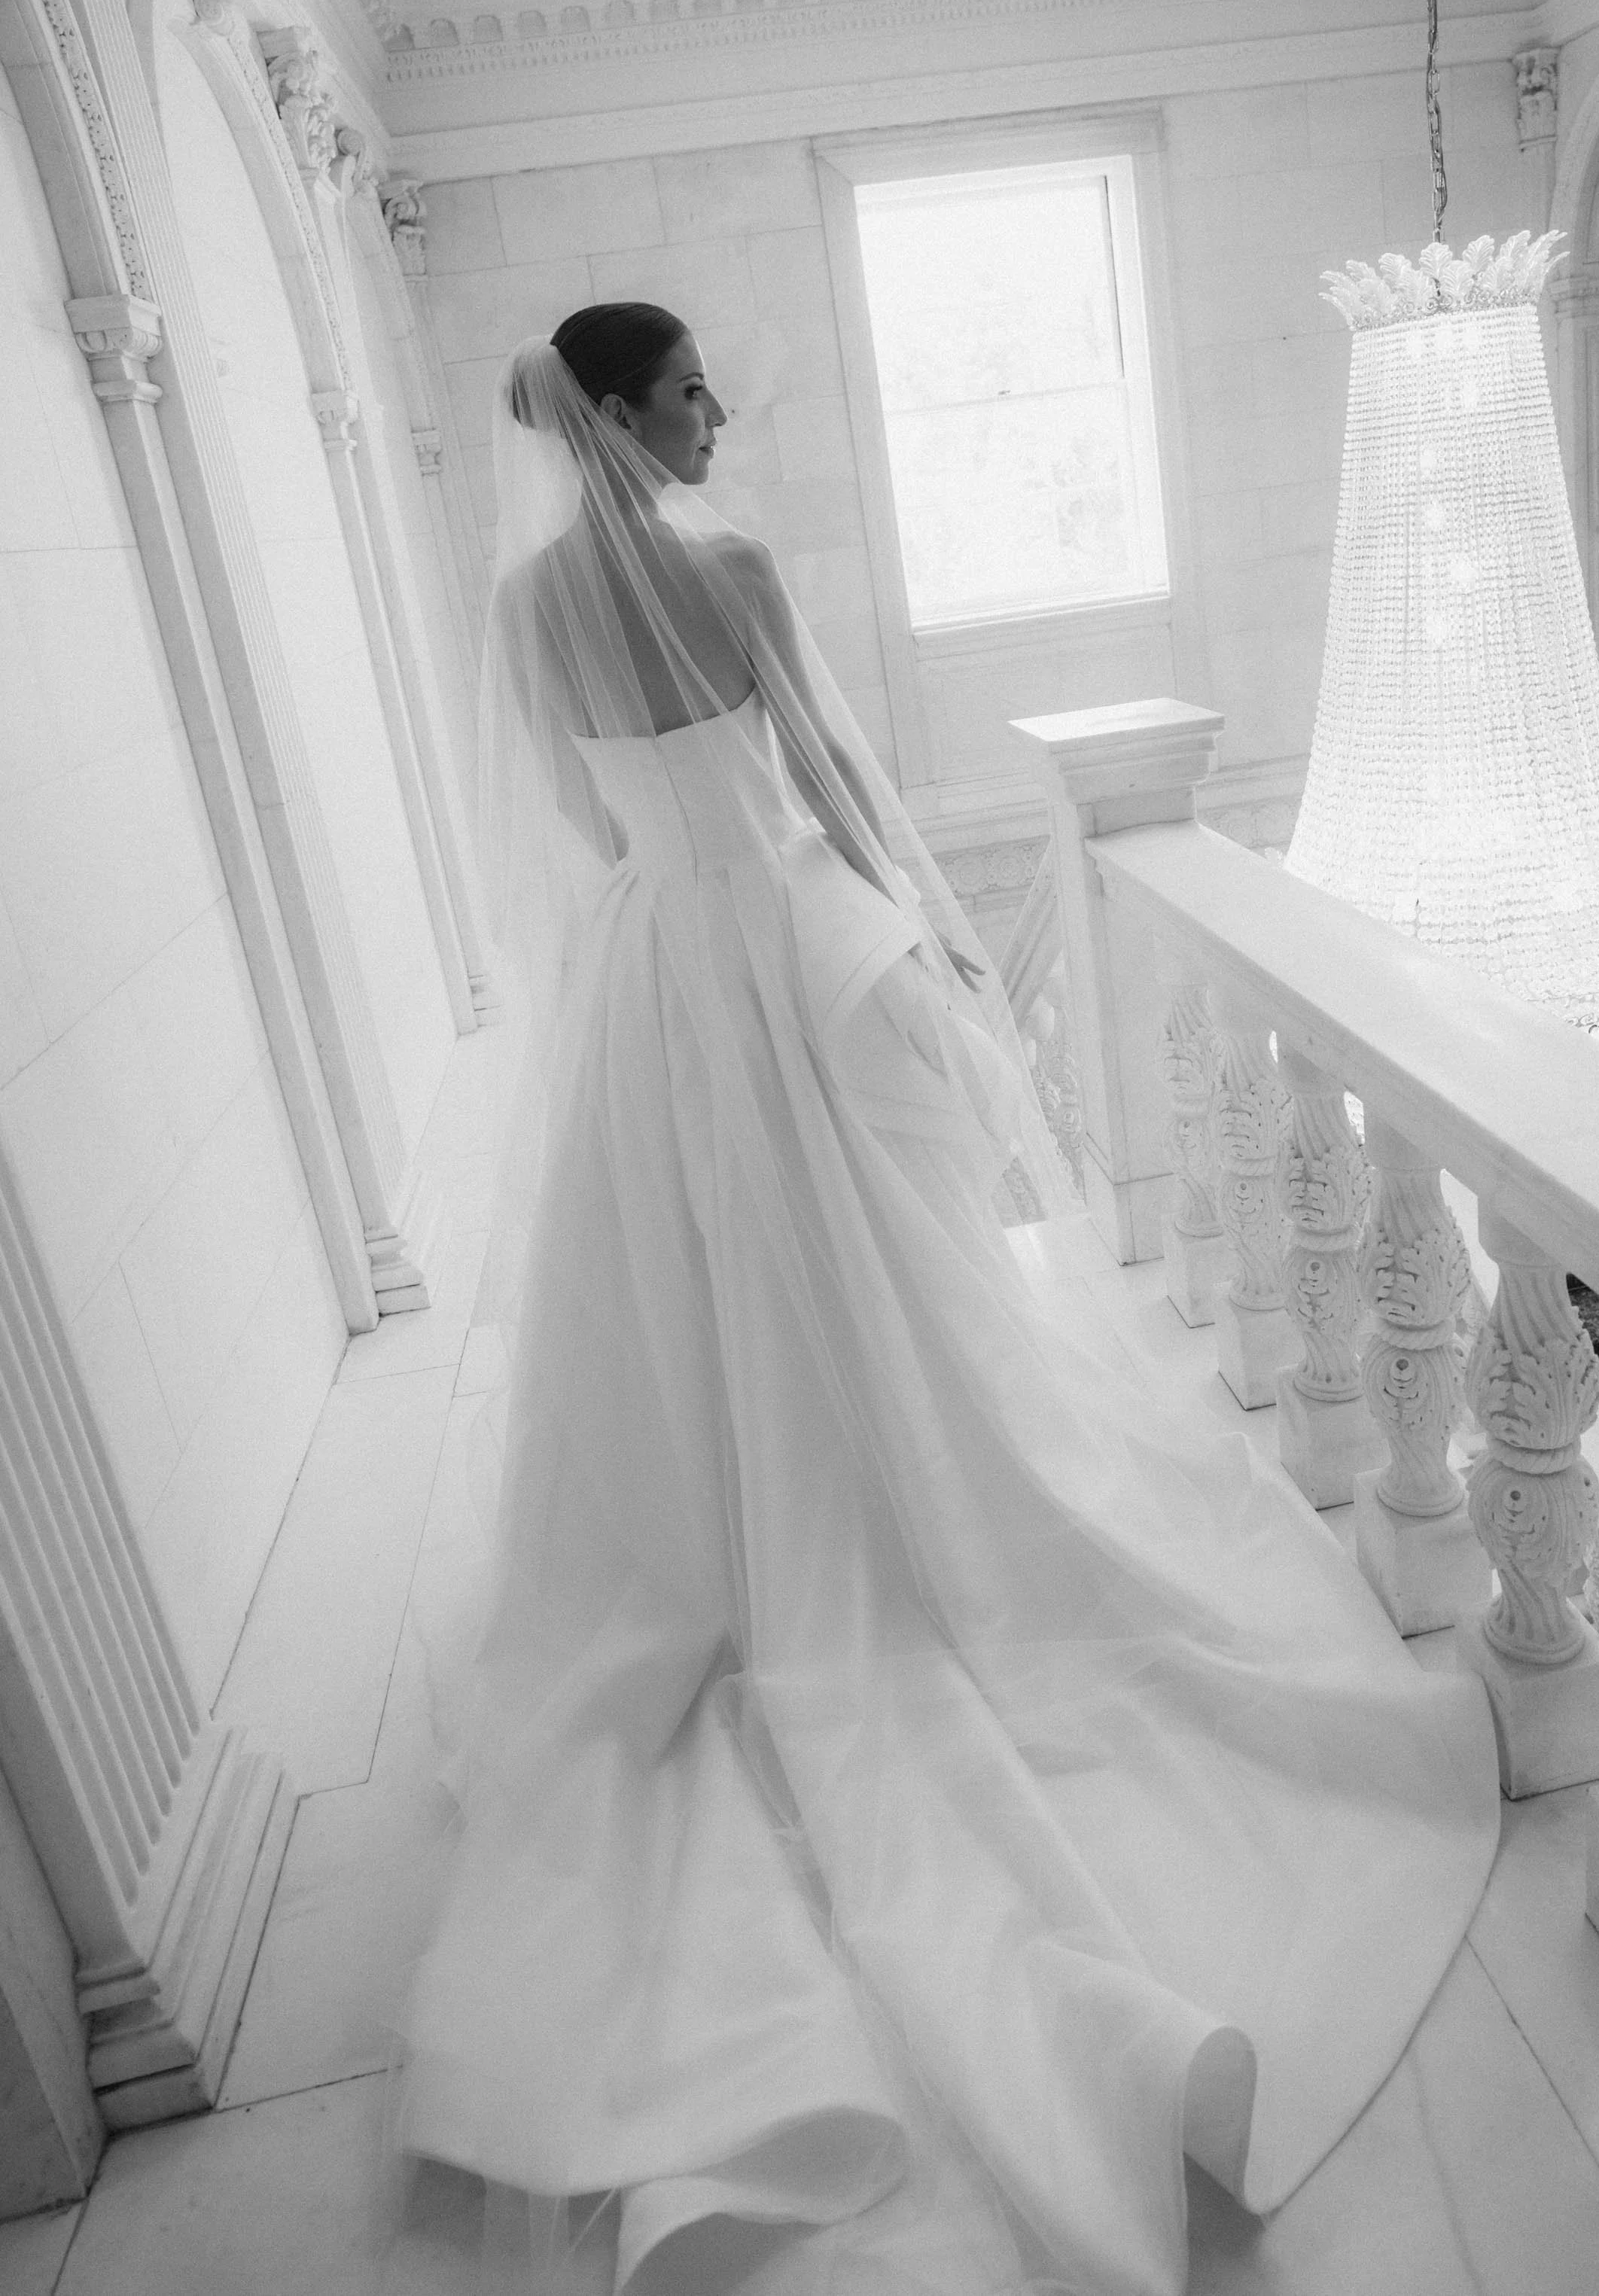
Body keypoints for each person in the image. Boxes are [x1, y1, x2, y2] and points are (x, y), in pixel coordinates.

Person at [390, 300, 1498, 2295]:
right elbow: (823, 772)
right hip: (788, 951)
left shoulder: (521, 612)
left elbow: (575, 832)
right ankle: (907, 1542)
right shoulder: (726, 565)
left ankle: (737, 1560)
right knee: (892, 1302)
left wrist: (680, 871)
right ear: (624, 412)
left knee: (683, 1313)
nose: (719, 407)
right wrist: (935, 949)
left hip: (657, 972)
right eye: (691, 387)